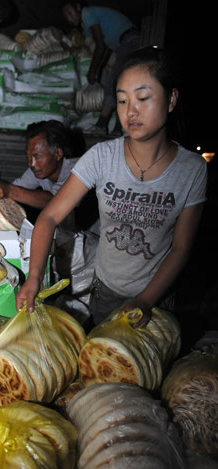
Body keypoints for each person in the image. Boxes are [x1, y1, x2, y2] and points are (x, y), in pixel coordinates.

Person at [15, 46, 208, 329]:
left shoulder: (191, 169)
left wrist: (145, 300)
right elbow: (50, 217)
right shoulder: (102, 157)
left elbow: (180, 247)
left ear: (171, 99)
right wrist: (34, 278)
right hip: (105, 292)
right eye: (121, 101)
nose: (131, 111)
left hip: (158, 298)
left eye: (143, 98)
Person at [62, 0, 141, 136]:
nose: (69, 18)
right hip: (125, 43)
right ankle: (117, 128)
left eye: (70, 12)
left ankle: (101, 125)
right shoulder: (86, 27)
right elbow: (105, 48)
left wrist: (93, 70)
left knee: (113, 83)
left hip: (129, 40)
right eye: (66, 17)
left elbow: (100, 45)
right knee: (121, 85)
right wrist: (98, 68)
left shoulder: (87, 13)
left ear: (78, 7)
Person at [0, 120, 80, 228]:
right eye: (28, 157)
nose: (31, 163)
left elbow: (56, 201)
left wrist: (9, 191)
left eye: (37, 156)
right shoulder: (39, 170)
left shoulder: (78, 169)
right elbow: (16, 188)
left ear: (57, 154)